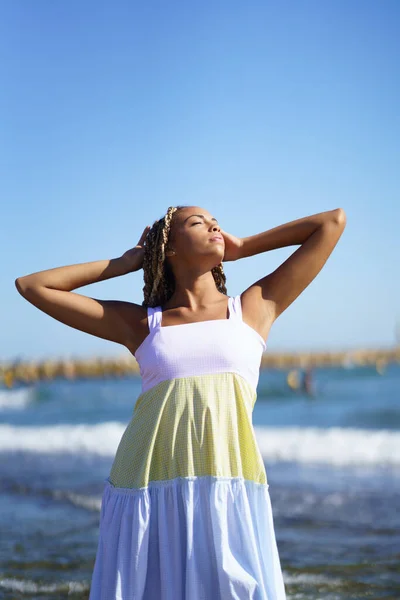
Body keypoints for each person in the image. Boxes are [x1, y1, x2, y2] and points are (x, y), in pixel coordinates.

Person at [15, 204, 346, 599]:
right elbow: (32, 286)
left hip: (228, 490)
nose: (214, 226)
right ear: (168, 249)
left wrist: (242, 246)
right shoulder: (143, 324)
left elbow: (332, 223)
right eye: (198, 223)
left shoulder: (254, 309)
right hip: (148, 491)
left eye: (216, 222)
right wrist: (124, 263)